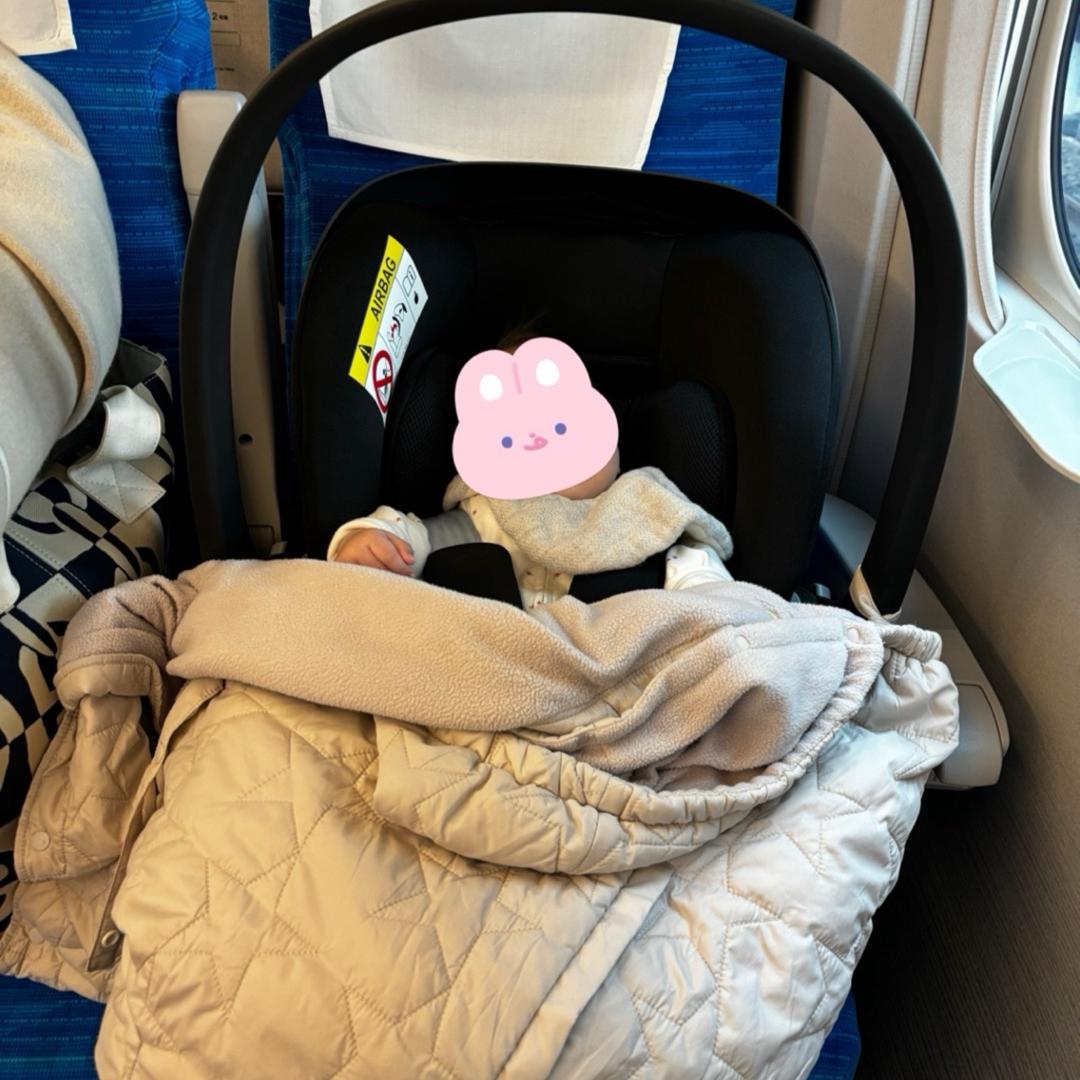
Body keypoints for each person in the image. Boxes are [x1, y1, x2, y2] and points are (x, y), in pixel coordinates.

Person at [329, 329, 733, 609]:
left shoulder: (640, 507)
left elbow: (697, 572)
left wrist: (705, 600)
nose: (538, 442)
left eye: (561, 425)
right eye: (510, 434)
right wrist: (374, 543)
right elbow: (413, 539)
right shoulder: (484, 514)